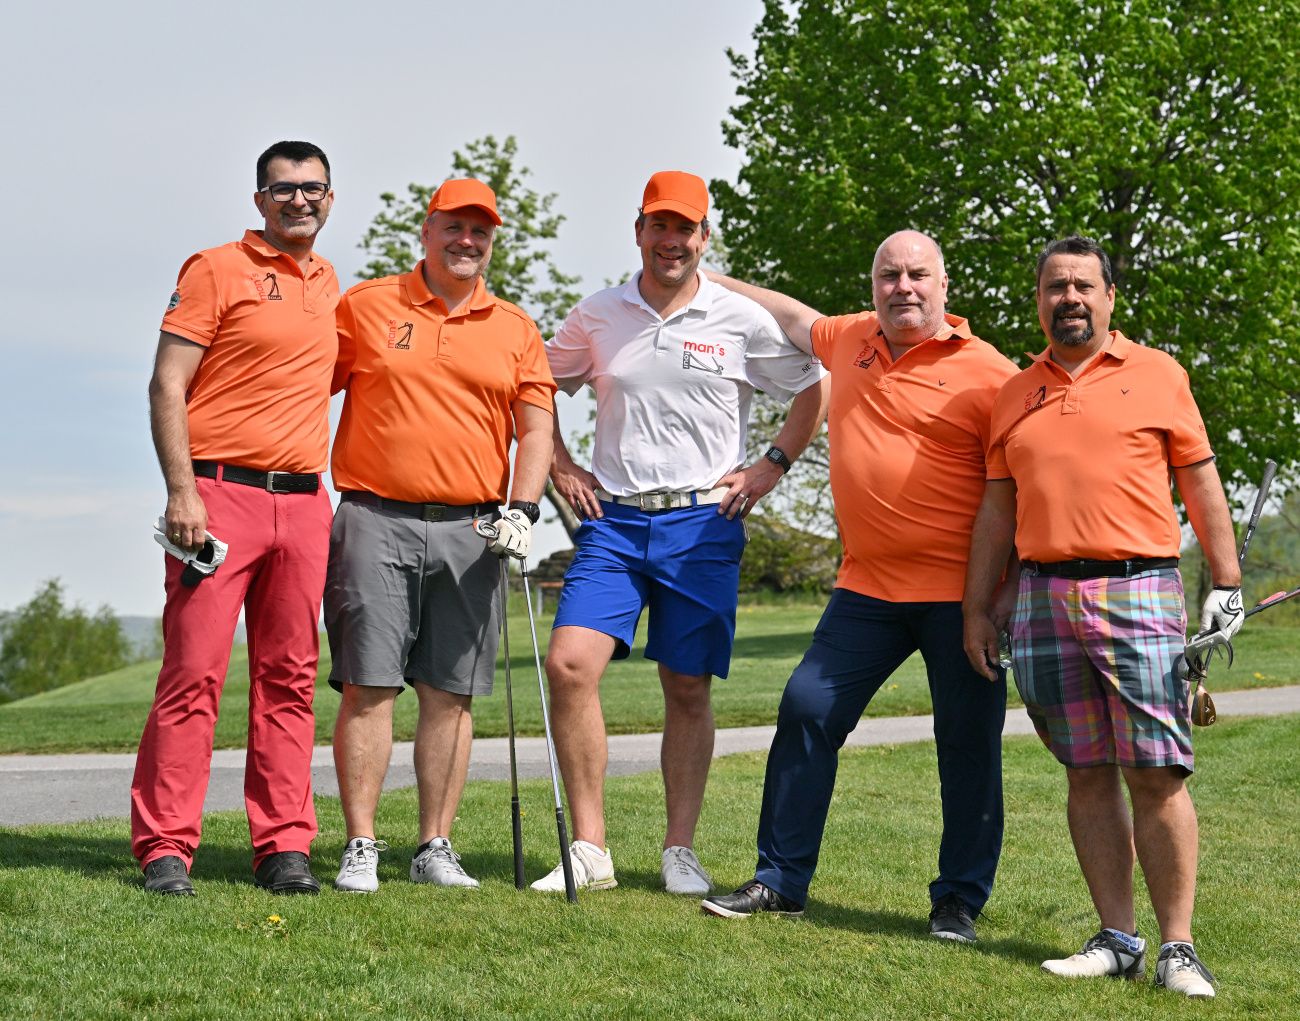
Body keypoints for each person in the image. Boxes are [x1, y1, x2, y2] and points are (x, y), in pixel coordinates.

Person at [699, 231, 1017, 941]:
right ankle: (781, 881)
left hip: (960, 597)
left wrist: (1001, 595)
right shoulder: (851, 339)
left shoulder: (993, 374)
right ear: (873, 286)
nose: (903, 287)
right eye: (888, 275)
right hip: (866, 589)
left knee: (968, 742)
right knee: (806, 707)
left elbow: (1022, 491)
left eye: (917, 275)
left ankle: (958, 901)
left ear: (944, 286)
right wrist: (707, 276)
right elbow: (790, 315)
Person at [532, 170, 829, 895]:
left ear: (704, 236)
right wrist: (559, 464)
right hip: (614, 520)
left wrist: (771, 466)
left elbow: (814, 384)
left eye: (686, 228)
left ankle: (680, 849)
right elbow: (534, 388)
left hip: (704, 521)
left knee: (687, 684)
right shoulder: (598, 314)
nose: (672, 240)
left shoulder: (738, 317)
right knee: (569, 664)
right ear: (639, 230)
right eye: (660, 226)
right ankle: (590, 850)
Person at [962, 235, 1241, 997]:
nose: (1070, 299)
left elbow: (1201, 481)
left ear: (1110, 297)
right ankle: (1118, 936)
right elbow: (997, 512)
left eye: (1084, 285)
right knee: (1085, 771)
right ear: (1039, 301)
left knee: (1157, 770)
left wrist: (1225, 582)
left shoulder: (1159, 374)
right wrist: (978, 606)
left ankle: (1178, 947)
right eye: (1056, 286)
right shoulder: (1014, 393)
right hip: (1042, 596)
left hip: (1140, 587)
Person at [327, 178, 555, 894]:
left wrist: (523, 508)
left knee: (451, 692)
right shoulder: (366, 306)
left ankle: (434, 844)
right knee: (368, 684)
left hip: (474, 528)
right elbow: (304, 386)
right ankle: (361, 843)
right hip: (375, 517)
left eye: (480, 231)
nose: (467, 241)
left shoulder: (515, 327)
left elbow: (536, 428)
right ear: (426, 230)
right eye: (454, 226)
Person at [132, 141, 339, 896]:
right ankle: (165, 847)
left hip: (305, 503)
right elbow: (167, 384)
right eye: (283, 189)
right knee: (193, 674)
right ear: (260, 200)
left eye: (313, 188)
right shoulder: (215, 268)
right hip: (218, 497)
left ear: (330, 198)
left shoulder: (330, 284)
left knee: (290, 678)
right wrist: (182, 492)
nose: (299, 200)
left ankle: (284, 845)